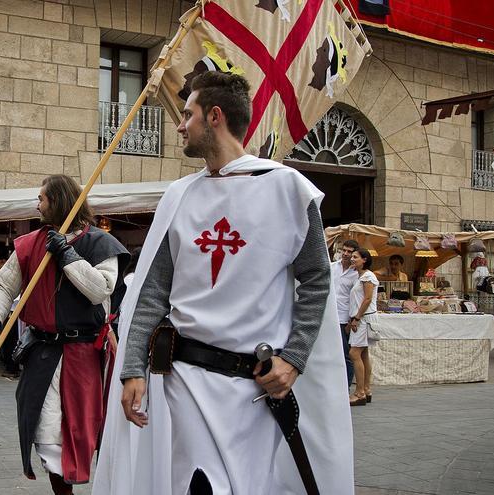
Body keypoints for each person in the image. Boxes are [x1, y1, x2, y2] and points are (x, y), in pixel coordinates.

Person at [93, 72, 353, 495]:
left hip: (254, 388)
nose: (180, 125)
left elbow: (316, 280)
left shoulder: (288, 190)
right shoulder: (180, 196)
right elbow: (153, 292)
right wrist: (133, 367)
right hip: (186, 380)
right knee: (200, 486)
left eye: (187, 115)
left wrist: (295, 357)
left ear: (214, 117)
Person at [0, 174, 129, 494]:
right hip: (44, 354)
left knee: (81, 431)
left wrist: (68, 256)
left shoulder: (99, 243)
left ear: (59, 200)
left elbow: (99, 289)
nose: (37, 205)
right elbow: (5, 287)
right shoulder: (31, 243)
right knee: (47, 435)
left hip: (83, 354)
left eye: (42, 199)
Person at [348, 248, 378, 406]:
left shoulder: (367, 276)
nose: (352, 259)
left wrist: (357, 318)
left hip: (363, 319)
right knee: (363, 353)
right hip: (361, 319)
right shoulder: (359, 277)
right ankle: (366, 389)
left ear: (364, 259)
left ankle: (359, 392)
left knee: (354, 353)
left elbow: (367, 299)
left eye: (355, 257)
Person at [331, 239, 359, 386]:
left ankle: (346, 387)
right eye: (344, 250)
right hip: (329, 316)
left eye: (350, 252)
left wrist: (352, 319)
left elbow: (356, 299)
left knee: (346, 354)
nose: (346, 254)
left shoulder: (356, 274)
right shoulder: (332, 267)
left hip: (344, 318)